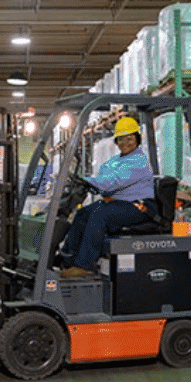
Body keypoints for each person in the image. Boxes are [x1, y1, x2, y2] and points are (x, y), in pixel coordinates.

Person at [60, 116, 156, 277]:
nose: (125, 143)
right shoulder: (117, 160)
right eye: (121, 139)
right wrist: (87, 182)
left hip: (140, 207)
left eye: (130, 138)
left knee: (100, 215)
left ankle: (85, 265)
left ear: (137, 139)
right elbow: (105, 174)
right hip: (123, 203)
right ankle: (67, 258)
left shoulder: (138, 161)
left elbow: (114, 181)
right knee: (83, 213)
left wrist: (90, 182)